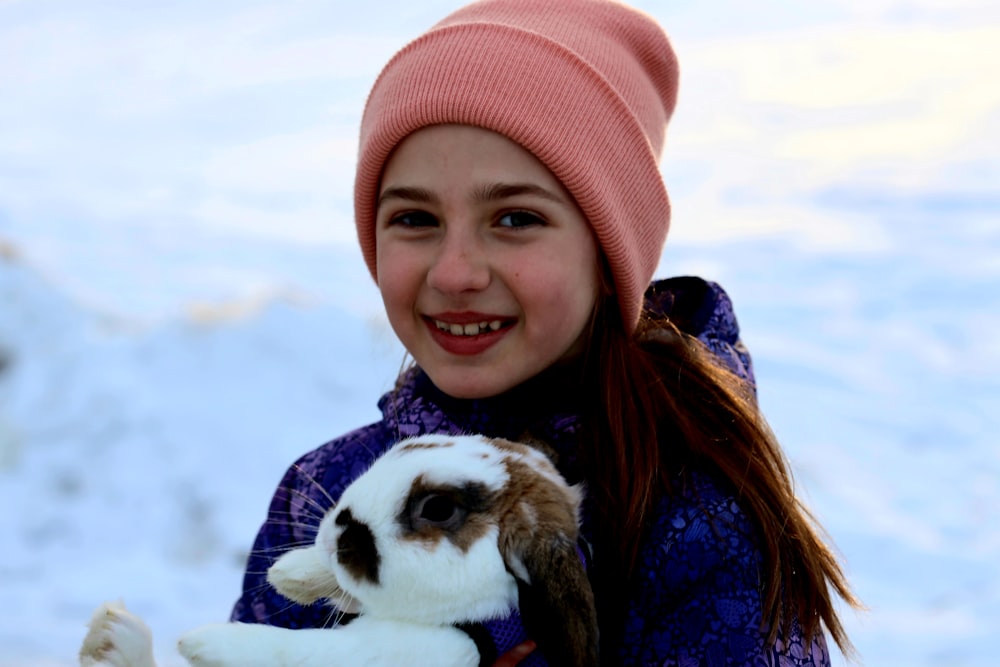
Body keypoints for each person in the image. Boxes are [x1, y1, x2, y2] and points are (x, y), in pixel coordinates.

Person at [231, 0, 861, 664]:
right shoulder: (328, 489)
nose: (455, 272)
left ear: (608, 252)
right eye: (415, 218)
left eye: (514, 219)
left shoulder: (693, 520)